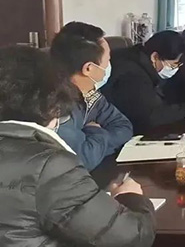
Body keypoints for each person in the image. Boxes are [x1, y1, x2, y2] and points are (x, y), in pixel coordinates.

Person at [0, 46, 156, 246]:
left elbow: (122, 126)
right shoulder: (50, 166)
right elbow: (133, 237)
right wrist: (131, 197)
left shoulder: (92, 96)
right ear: (53, 104)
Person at [50, 22, 133, 170]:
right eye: (107, 61)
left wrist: (92, 144)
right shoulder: (54, 104)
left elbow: (124, 127)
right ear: (88, 68)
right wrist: (96, 131)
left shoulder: (90, 93)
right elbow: (83, 159)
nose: (109, 66)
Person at [102, 31, 185, 134]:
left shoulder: (139, 58)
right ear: (155, 57)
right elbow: (149, 117)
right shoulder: (132, 74)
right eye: (173, 64)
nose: (175, 69)